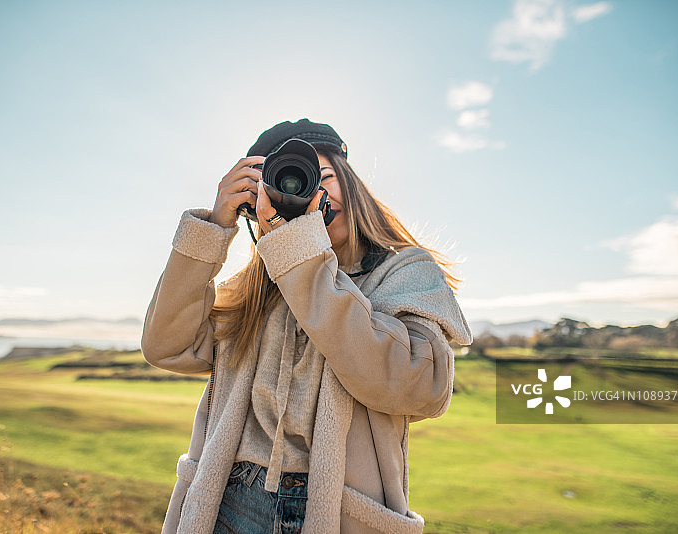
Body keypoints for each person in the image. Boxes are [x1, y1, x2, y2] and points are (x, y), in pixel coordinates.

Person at [141, 119, 472, 534]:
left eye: (324, 176)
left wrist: (300, 252)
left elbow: (420, 389)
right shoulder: (257, 288)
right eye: (287, 182)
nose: (310, 190)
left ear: (350, 185)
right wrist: (215, 228)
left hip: (337, 512)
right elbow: (166, 346)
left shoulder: (404, 271)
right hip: (225, 500)